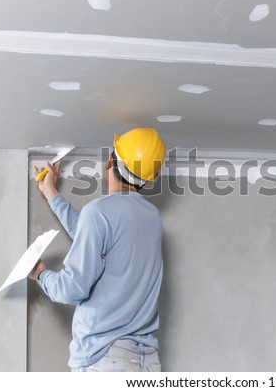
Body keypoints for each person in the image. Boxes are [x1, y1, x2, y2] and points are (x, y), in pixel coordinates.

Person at [29, 128, 166, 372]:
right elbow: (95, 237)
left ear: (111, 160)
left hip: (105, 359)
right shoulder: (151, 217)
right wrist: (50, 192)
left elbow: (71, 290)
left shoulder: (100, 212)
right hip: (147, 362)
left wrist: (40, 273)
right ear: (148, 177)